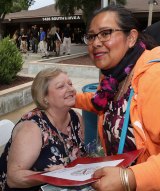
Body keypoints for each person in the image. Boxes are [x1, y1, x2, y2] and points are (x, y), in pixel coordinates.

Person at [75, 4, 160, 191]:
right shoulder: (112, 78)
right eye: (91, 36)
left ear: (131, 38)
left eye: (106, 33)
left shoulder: (154, 77)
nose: (96, 42)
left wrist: (130, 177)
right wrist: (72, 99)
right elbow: (100, 103)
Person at [0, 68, 86, 191]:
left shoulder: (75, 117)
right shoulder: (32, 127)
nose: (71, 89)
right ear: (44, 98)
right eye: (61, 86)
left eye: (70, 84)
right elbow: (13, 178)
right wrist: (47, 177)